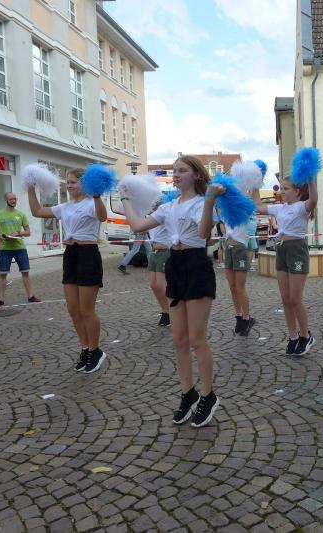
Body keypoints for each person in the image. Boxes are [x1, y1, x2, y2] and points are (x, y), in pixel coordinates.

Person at [123, 156, 220, 428]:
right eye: (174, 171)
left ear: (196, 175)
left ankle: (208, 394)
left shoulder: (202, 203)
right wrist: (126, 198)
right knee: (178, 339)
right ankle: (188, 393)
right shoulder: (168, 207)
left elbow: (203, 233)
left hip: (197, 265)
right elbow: (137, 226)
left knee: (197, 338)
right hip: (175, 265)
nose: (176, 175)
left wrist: (210, 200)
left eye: (182, 171)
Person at [28, 169, 108, 374]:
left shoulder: (91, 202)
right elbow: (37, 211)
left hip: (88, 254)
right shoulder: (65, 207)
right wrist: (30, 188)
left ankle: (95, 351)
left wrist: (97, 196)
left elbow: (102, 216)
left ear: (85, 183)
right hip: (70, 254)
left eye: (73, 182)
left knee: (87, 310)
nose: (69, 185)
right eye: (67, 182)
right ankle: (85, 348)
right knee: (73, 309)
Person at [252, 175, 318, 356]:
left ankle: (305, 336)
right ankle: (293, 336)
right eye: (281, 188)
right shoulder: (280, 208)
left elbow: (313, 200)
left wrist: (310, 181)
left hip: (296, 249)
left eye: (286, 188)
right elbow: (257, 206)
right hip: (281, 249)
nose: (282, 191)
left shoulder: (302, 207)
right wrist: (255, 185)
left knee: (295, 298)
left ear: (297, 191)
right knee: (286, 298)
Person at [0, 192, 41, 307]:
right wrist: (3, 237)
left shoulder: (21, 214)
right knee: (3, 274)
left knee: (25, 272)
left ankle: (31, 296)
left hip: (20, 247)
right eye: (11, 199)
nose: (14, 201)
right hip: (5, 248)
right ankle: (0, 299)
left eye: (15, 199)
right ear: (6, 200)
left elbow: (28, 232)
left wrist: (19, 233)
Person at [222, 213, 256, 337]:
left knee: (239, 287)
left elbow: (251, 225)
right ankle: (239, 316)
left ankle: (247, 318)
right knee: (232, 287)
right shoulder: (225, 210)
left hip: (240, 247)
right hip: (228, 247)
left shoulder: (242, 209)